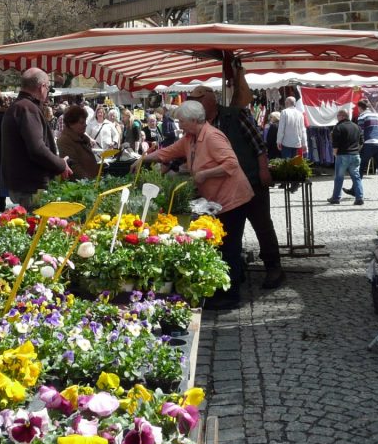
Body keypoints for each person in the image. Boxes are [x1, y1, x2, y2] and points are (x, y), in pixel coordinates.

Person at [132, 101, 253, 310]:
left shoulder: (212, 137)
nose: (179, 124)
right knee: (223, 247)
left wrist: (204, 174)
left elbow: (231, 164)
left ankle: (231, 297)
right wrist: (144, 159)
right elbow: (168, 152)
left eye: (182, 121)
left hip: (233, 199)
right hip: (217, 201)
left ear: (195, 120)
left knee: (230, 247)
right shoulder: (190, 138)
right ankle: (223, 290)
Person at [188, 85, 284, 290]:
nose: (195, 105)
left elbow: (259, 144)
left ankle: (274, 267)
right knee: (230, 230)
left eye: (199, 101)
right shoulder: (200, 123)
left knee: (262, 225)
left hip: (251, 179)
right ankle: (234, 270)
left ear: (210, 101)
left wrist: (263, 170)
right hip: (225, 188)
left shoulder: (236, 115)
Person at [1, 68, 71, 209]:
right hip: (30, 185)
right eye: (48, 88)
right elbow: (37, 148)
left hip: (22, 183)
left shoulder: (19, 106)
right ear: (42, 87)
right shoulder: (27, 108)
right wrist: (61, 164)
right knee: (35, 226)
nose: (47, 94)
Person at [327, 109, 364, 205]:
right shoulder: (357, 127)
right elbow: (361, 141)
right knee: (356, 177)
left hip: (343, 155)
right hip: (355, 155)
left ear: (342, 116)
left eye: (338, 116)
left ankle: (336, 198)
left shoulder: (338, 127)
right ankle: (359, 197)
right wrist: (356, 150)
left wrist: (335, 153)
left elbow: (336, 142)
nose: (337, 118)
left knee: (339, 177)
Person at [56, 105, 100, 180]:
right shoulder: (65, 141)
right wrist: (90, 182)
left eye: (85, 122)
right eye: (82, 122)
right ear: (71, 124)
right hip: (80, 187)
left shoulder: (82, 138)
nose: (85, 125)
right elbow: (74, 168)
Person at [355, 99, 378, 184]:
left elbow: (360, 132)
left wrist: (359, 146)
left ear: (359, 107)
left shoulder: (362, 116)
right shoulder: (377, 115)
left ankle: (355, 190)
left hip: (368, 143)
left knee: (361, 167)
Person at [277, 93, 308, 159]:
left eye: (285, 102)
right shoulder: (300, 114)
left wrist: (278, 141)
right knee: (294, 165)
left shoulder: (284, 112)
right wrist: (304, 143)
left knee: (287, 164)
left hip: (286, 142)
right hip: (297, 143)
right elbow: (303, 130)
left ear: (287, 103)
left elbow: (281, 128)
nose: (285, 104)